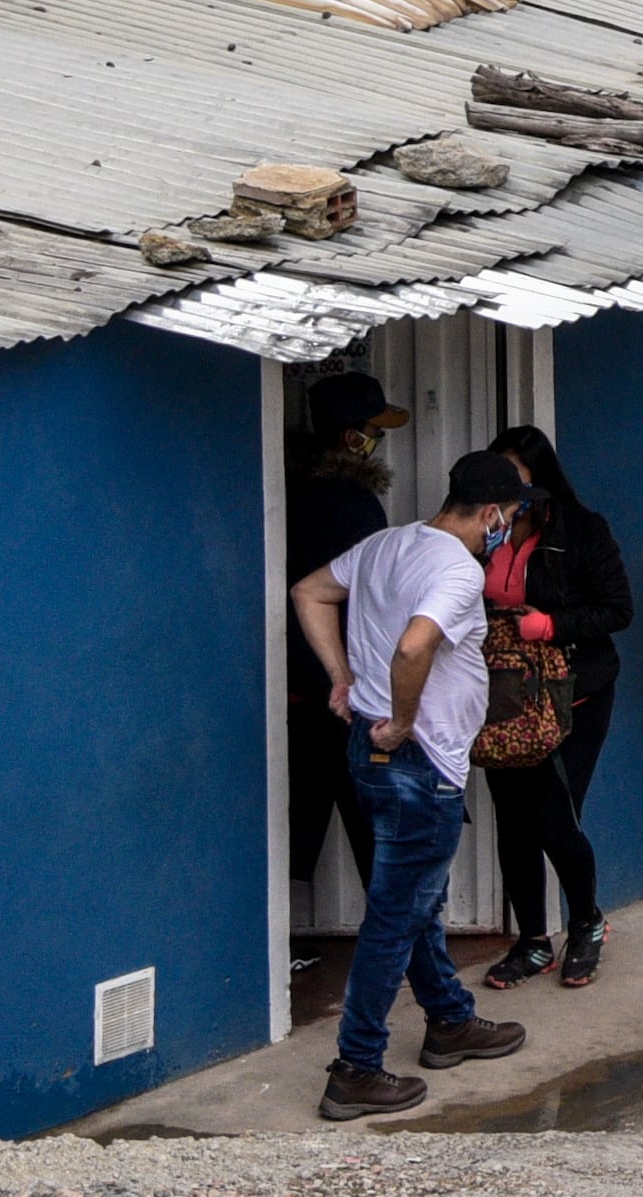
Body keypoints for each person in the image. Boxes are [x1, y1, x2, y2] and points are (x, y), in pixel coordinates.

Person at [291, 447, 535, 1120]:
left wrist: (342, 679)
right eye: (510, 516)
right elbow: (412, 646)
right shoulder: (457, 570)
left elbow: (308, 591)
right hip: (417, 761)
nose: (508, 529)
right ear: (491, 512)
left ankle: (450, 1021)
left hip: (368, 753)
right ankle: (356, 1067)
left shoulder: (385, 542)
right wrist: (402, 718)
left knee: (413, 896)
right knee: (395, 915)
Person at [477, 423, 632, 993]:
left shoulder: (581, 529)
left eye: (515, 478)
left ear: (540, 479)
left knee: (553, 816)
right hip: (502, 694)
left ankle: (587, 922)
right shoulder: (480, 530)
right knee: (512, 822)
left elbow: (617, 610)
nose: (504, 490)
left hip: (573, 694)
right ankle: (533, 940)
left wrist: (551, 624)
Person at [283, 369, 403, 910]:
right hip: (345, 683)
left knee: (297, 815)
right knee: (375, 818)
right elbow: (371, 596)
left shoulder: (292, 492)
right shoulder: (352, 503)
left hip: (301, 680)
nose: (381, 438)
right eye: (374, 429)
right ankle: (396, 937)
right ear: (352, 437)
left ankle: (279, 948)